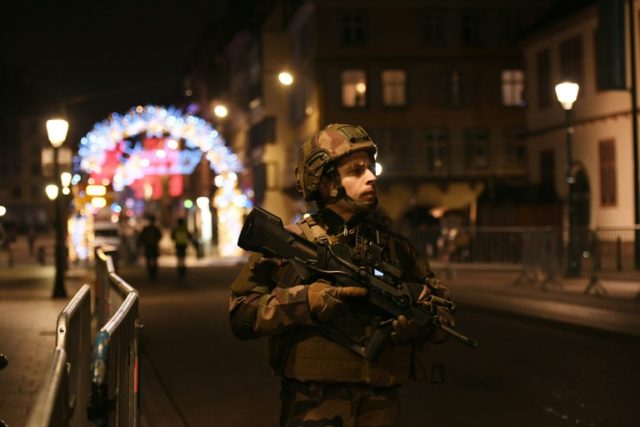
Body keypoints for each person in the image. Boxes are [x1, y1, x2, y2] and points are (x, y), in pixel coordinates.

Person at [229, 123, 456, 426]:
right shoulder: (290, 244)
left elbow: (443, 316)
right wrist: (306, 301)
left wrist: (417, 325)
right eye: (356, 170)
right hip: (314, 405)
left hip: (380, 405)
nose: (372, 177)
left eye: (371, 167)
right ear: (324, 182)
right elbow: (241, 316)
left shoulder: (395, 248)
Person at [137, 214, 162, 281]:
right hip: (154, 247)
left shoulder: (146, 229)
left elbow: (141, 237)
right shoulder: (155, 229)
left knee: (149, 261)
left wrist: (142, 243)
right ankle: (153, 274)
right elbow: (160, 236)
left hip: (148, 247)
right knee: (154, 261)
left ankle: (151, 274)